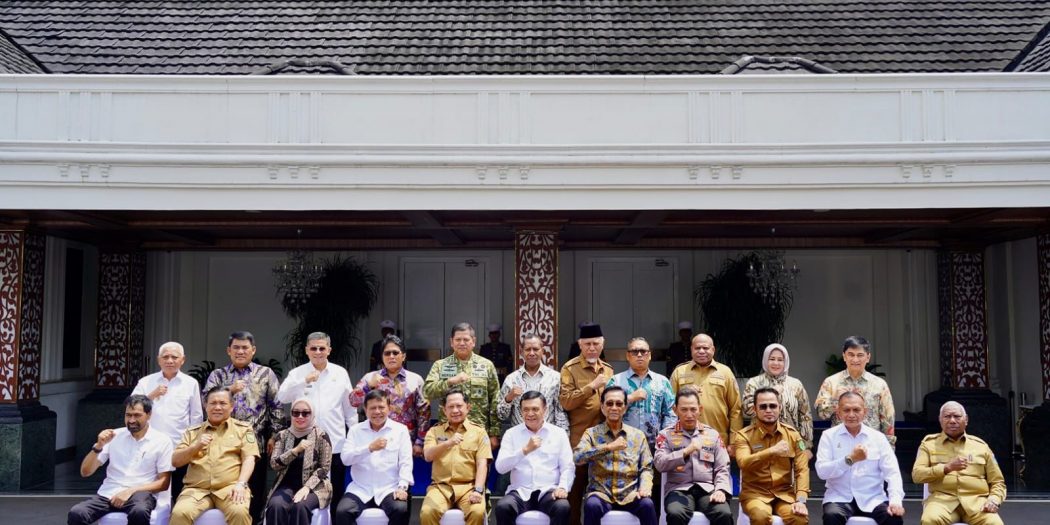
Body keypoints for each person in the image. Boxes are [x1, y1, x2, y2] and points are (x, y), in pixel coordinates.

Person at [202, 330, 284, 523]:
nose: (240, 351)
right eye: (236, 347)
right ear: (228, 351)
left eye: (245, 347)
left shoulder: (265, 374)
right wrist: (229, 390)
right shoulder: (218, 375)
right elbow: (206, 401)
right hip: (222, 443)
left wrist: (274, 435)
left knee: (255, 489)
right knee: (226, 489)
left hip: (256, 442)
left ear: (253, 350)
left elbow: (277, 406)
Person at [278, 331, 357, 516]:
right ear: (307, 350)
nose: (318, 352)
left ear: (329, 350)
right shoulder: (297, 373)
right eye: (314, 348)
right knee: (304, 491)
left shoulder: (340, 373)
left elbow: (350, 409)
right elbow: (282, 396)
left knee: (335, 491)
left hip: (335, 442)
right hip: (304, 443)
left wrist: (353, 435)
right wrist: (303, 381)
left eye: (322, 348)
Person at [67, 394, 174, 525]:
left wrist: (130, 491)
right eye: (128, 415)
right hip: (109, 493)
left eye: (137, 415)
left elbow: (164, 483)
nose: (131, 420)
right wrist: (98, 446)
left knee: (139, 512)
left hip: (140, 494)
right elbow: (85, 472)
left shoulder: (162, 440)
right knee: (77, 513)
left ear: (149, 415)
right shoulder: (114, 436)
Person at [606, 336, 676, 511]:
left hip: (654, 446)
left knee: (653, 492)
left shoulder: (662, 382)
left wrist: (664, 440)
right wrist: (629, 398)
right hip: (623, 445)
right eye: (634, 351)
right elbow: (607, 411)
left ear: (649, 355)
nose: (639, 355)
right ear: (627, 356)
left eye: (643, 351)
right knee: (623, 490)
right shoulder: (616, 381)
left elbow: (670, 413)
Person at [170, 388, 259, 525]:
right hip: (196, 490)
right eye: (213, 403)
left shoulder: (243, 429)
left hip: (230, 488)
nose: (217, 407)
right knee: (179, 513)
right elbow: (175, 461)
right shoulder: (193, 432)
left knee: (239, 512)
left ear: (232, 406)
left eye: (222, 403)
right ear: (205, 406)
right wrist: (195, 447)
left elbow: (249, 458)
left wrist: (241, 484)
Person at [815, 392, 904, 525]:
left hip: (873, 499)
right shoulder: (828, 436)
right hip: (839, 498)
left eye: (856, 410)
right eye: (846, 410)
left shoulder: (878, 438)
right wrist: (850, 459)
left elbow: (892, 473)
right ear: (838, 412)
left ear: (865, 412)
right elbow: (822, 472)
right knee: (832, 516)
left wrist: (895, 501)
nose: (851, 415)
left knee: (893, 519)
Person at [912, 401, 1006, 525]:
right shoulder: (929, 444)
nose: (952, 421)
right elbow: (917, 475)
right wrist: (946, 468)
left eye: (957, 416)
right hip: (942, 502)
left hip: (977, 503)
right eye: (947, 416)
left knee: (995, 523)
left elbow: (998, 482)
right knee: (929, 520)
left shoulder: (981, 446)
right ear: (940, 420)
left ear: (966, 420)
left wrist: (994, 500)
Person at [574, 386, 656, 525]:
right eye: (609, 403)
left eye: (619, 404)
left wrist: (645, 487)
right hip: (601, 494)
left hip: (630, 494)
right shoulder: (591, 433)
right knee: (592, 506)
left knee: (647, 505)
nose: (614, 408)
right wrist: (608, 447)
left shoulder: (637, 435)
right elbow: (577, 458)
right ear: (602, 407)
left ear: (625, 408)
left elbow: (646, 467)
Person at [559, 322, 615, 525]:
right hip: (579, 441)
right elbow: (566, 402)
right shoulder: (570, 368)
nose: (592, 348)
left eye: (596, 344)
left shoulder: (608, 369)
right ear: (580, 345)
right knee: (574, 496)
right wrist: (592, 386)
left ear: (602, 344)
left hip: (604, 442)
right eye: (587, 344)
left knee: (599, 497)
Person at [131, 341, 203, 499]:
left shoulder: (190, 383)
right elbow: (132, 408)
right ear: (159, 360)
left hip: (179, 445)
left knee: (178, 489)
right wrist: (151, 396)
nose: (170, 360)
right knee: (151, 489)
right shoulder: (146, 382)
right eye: (165, 357)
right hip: (150, 445)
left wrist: (191, 444)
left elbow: (196, 416)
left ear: (182, 360)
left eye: (174, 357)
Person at [494, 391, 574, 525]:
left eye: (535, 409)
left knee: (562, 507)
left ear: (545, 410)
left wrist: (563, 487)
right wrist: (524, 450)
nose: (530, 414)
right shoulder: (511, 434)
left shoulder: (558, 433)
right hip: (520, 491)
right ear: (521, 411)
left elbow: (568, 466)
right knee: (503, 506)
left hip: (548, 491)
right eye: (526, 410)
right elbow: (500, 468)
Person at [654, 388, 732, 525]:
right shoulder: (665, 435)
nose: (689, 414)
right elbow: (660, 464)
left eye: (693, 409)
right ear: (675, 410)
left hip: (707, 489)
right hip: (678, 489)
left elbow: (723, 466)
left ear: (700, 409)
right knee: (675, 513)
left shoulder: (712, 435)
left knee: (723, 513)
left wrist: (721, 489)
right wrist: (685, 452)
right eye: (684, 410)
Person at [733, 387, 810, 525]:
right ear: (755, 410)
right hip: (755, 494)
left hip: (784, 494)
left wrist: (801, 500)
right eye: (763, 407)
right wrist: (771, 451)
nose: (768, 410)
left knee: (799, 518)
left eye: (773, 406)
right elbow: (743, 463)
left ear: (780, 408)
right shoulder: (743, 436)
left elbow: (802, 470)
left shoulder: (793, 435)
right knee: (760, 516)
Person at [337, 390, 413, 525]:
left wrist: (402, 487)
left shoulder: (400, 430)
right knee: (343, 511)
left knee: (400, 509)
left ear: (389, 408)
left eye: (381, 407)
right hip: (360, 489)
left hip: (389, 488)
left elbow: (405, 462)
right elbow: (345, 459)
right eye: (372, 408)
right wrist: (369, 448)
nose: (377, 411)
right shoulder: (355, 430)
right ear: (365, 410)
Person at [423, 322, 501, 450]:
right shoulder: (440, 365)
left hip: (478, 431)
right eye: (458, 340)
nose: (462, 343)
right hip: (448, 432)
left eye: (466, 339)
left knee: (480, 463)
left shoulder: (486, 365)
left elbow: (495, 399)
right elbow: (427, 391)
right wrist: (449, 382)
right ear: (451, 342)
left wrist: (494, 432)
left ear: (473, 341)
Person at [420, 390, 493, 525]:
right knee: (427, 512)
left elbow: (482, 464)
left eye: (459, 406)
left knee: (477, 512)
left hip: (469, 487)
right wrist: (447, 443)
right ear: (444, 410)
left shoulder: (479, 432)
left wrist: (478, 490)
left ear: (468, 407)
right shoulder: (434, 431)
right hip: (441, 487)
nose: (455, 410)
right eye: (450, 407)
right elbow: (428, 456)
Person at [351, 335, 430, 457]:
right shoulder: (370, 377)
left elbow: (424, 412)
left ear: (403, 356)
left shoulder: (415, 380)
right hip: (375, 440)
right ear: (382, 357)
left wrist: (420, 441)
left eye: (395, 353)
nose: (391, 356)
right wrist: (369, 386)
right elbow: (353, 401)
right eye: (387, 353)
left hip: (405, 441)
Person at [814, 335, 896, 446]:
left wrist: (889, 448)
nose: (855, 359)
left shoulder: (879, 384)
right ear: (844, 356)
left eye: (860, 355)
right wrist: (836, 400)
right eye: (851, 355)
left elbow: (888, 420)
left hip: (870, 445)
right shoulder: (831, 382)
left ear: (868, 357)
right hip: (839, 444)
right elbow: (821, 414)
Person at [668, 333, 743, 452]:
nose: (701, 351)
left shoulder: (725, 372)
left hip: (718, 439)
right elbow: (669, 406)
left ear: (713, 349)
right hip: (684, 439)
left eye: (705, 348)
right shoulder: (679, 372)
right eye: (697, 348)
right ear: (691, 349)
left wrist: (734, 441)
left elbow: (736, 409)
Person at [264, 398, 334, 525]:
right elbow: (274, 464)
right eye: (296, 413)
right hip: (286, 485)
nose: (300, 417)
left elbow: (324, 468)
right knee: (276, 506)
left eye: (305, 413)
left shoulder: (321, 436)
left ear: (312, 414)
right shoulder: (282, 435)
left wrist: (307, 487)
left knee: (300, 506)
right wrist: (295, 451)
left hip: (315, 487)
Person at [743, 343, 814, 454]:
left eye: (780, 360)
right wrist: (772, 392)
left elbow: (805, 416)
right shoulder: (754, 383)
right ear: (765, 360)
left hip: (791, 443)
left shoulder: (796, 384)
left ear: (785, 362)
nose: (776, 363)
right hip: (760, 443)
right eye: (772, 359)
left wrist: (806, 446)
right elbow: (747, 411)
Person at [497, 332, 568, 431]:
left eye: (535, 349)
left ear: (542, 351)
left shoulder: (555, 378)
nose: (531, 353)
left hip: (547, 436)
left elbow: (561, 413)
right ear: (521, 352)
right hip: (519, 437)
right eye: (527, 349)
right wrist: (509, 398)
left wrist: (562, 436)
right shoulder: (511, 379)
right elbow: (501, 415)